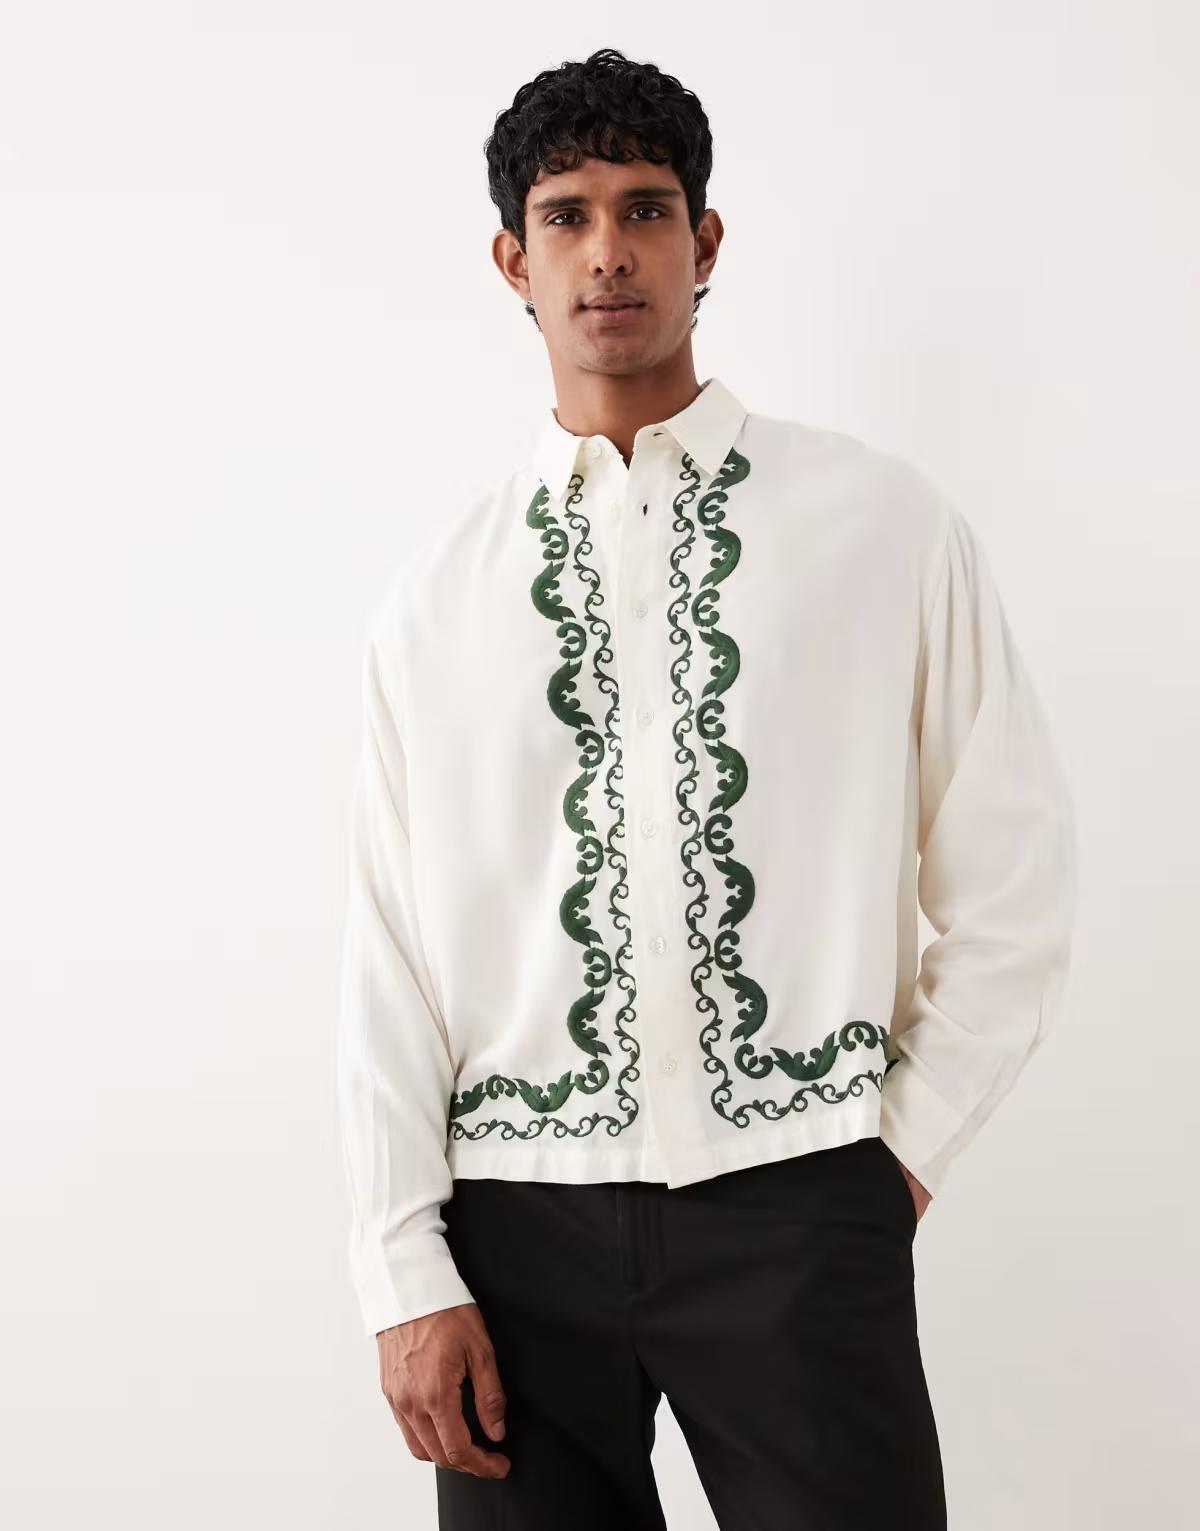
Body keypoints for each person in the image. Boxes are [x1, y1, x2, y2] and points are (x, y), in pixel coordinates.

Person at [335, 46, 1078, 1531]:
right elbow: (388, 953)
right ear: (515, 261)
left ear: (706, 240)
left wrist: (891, 1162)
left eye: (647, 208)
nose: (607, 250)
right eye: (566, 215)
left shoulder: (880, 526)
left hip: (800, 1201)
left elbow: (1015, 878)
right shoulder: (436, 600)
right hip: (513, 1233)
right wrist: (401, 1268)